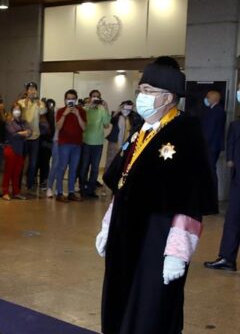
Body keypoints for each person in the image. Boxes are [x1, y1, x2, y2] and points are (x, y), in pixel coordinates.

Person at [96, 56, 218, 334]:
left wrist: (178, 252)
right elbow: (122, 183)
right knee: (119, 303)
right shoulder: (142, 130)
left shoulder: (186, 131)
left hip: (158, 236)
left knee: (151, 308)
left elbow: (191, 198)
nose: (141, 96)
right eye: (141, 90)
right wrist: (107, 226)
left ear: (169, 97)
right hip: (125, 233)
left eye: (149, 91)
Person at [204, 86, 240, 271]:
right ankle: (227, 258)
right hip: (237, 181)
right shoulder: (235, 124)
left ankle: (227, 257)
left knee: (233, 219)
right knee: (233, 219)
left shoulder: (221, 115)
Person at [54, 89, 86, 203]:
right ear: (65, 99)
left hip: (77, 144)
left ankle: (71, 192)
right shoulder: (61, 111)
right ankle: (59, 193)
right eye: (68, 98)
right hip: (64, 144)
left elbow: (84, 128)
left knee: (73, 169)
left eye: (72, 98)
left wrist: (77, 115)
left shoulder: (81, 111)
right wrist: (64, 114)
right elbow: (58, 127)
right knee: (62, 168)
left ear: (76, 100)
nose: (70, 100)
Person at [80, 90, 111, 198]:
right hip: (86, 141)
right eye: (93, 96)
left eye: (97, 97)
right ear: (89, 98)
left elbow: (107, 124)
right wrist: (89, 106)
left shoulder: (101, 109)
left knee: (95, 168)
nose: (95, 98)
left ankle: (91, 190)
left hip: (98, 143)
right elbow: (81, 119)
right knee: (84, 167)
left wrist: (106, 108)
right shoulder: (85, 109)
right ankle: (82, 188)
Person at [18, 81, 47, 192]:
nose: (32, 91)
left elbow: (43, 111)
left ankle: (30, 185)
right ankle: (18, 184)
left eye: (34, 89)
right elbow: (19, 114)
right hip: (23, 137)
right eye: (30, 89)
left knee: (33, 163)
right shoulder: (21, 102)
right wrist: (26, 101)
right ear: (26, 91)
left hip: (35, 137)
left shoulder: (39, 103)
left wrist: (38, 103)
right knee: (21, 162)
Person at [1, 103, 32, 200]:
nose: (17, 111)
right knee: (8, 172)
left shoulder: (23, 121)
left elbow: (30, 132)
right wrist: (24, 133)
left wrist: (24, 133)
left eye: (18, 109)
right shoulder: (9, 121)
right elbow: (13, 134)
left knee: (17, 173)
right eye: (15, 109)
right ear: (12, 111)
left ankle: (16, 192)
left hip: (20, 150)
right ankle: (5, 192)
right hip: (10, 149)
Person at [104, 100, 142, 170]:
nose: (125, 109)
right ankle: (106, 179)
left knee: (122, 163)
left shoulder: (134, 116)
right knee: (110, 161)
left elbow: (139, 125)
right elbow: (111, 120)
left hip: (127, 143)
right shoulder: (117, 115)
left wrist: (134, 109)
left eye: (128, 106)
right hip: (114, 142)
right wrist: (119, 109)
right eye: (124, 106)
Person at [201, 89, 226, 190]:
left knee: (210, 171)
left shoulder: (215, 111)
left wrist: (203, 144)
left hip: (210, 146)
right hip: (212, 146)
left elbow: (209, 130)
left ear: (213, 99)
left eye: (208, 97)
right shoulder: (216, 111)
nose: (206, 99)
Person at [38, 98, 56, 191]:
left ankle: (44, 181)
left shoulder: (52, 115)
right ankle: (40, 181)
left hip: (47, 142)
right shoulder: (39, 115)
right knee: (38, 162)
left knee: (45, 162)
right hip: (38, 141)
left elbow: (52, 129)